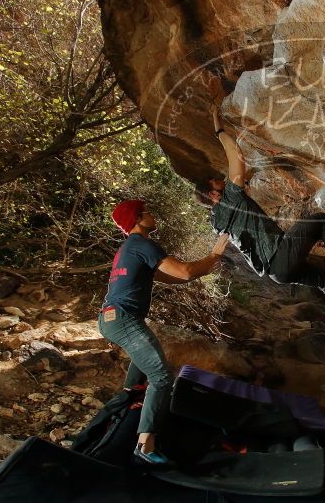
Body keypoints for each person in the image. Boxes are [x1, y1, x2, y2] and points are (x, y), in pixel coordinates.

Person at [195, 106, 325, 313]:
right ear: (213, 195)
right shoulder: (230, 198)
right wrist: (219, 130)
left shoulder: (216, 221)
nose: (222, 180)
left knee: (322, 279)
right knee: (320, 220)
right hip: (279, 256)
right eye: (217, 182)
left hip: (276, 274)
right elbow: (236, 156)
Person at [99, 199, 229, 465]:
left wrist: (206, 266)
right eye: (146, 212)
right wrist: (214, 255)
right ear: (136, 219)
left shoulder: (130, 248)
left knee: (146, 365)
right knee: (161, 376)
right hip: (123, 319)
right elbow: (185, 271)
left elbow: (174, 276)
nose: (152, 214)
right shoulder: (142, 244)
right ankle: (145, 446)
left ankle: (126, 402)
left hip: (113, 318)